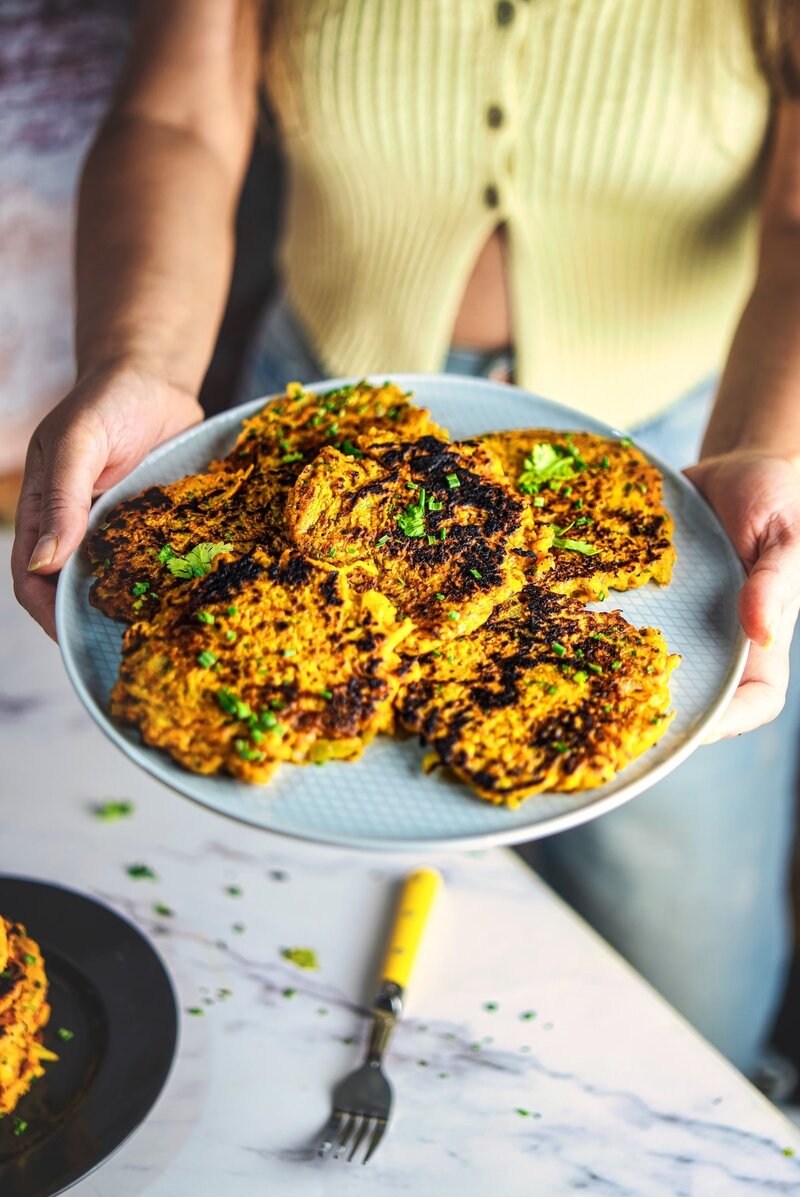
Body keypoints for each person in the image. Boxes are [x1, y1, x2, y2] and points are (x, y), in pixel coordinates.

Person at [11, 1, 800, 1077]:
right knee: (295, 928)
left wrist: (766, 442)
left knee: (688, 948)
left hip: (678, 465)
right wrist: (139, 358)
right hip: (298, 452)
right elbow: (177, 115)